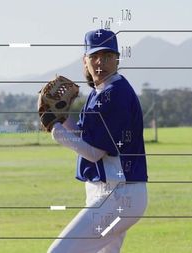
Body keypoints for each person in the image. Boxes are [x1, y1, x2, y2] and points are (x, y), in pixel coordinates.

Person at [47, 29, 148, 253]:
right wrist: (61, 119)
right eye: (94, 56)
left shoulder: (115, 93)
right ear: (85, 60)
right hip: (111, 192)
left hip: (119, 194)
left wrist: (54, 130)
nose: (100, 62)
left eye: (107, 56)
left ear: (117, 59)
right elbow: (84, 137)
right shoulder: (100, 92)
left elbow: (95, 152)